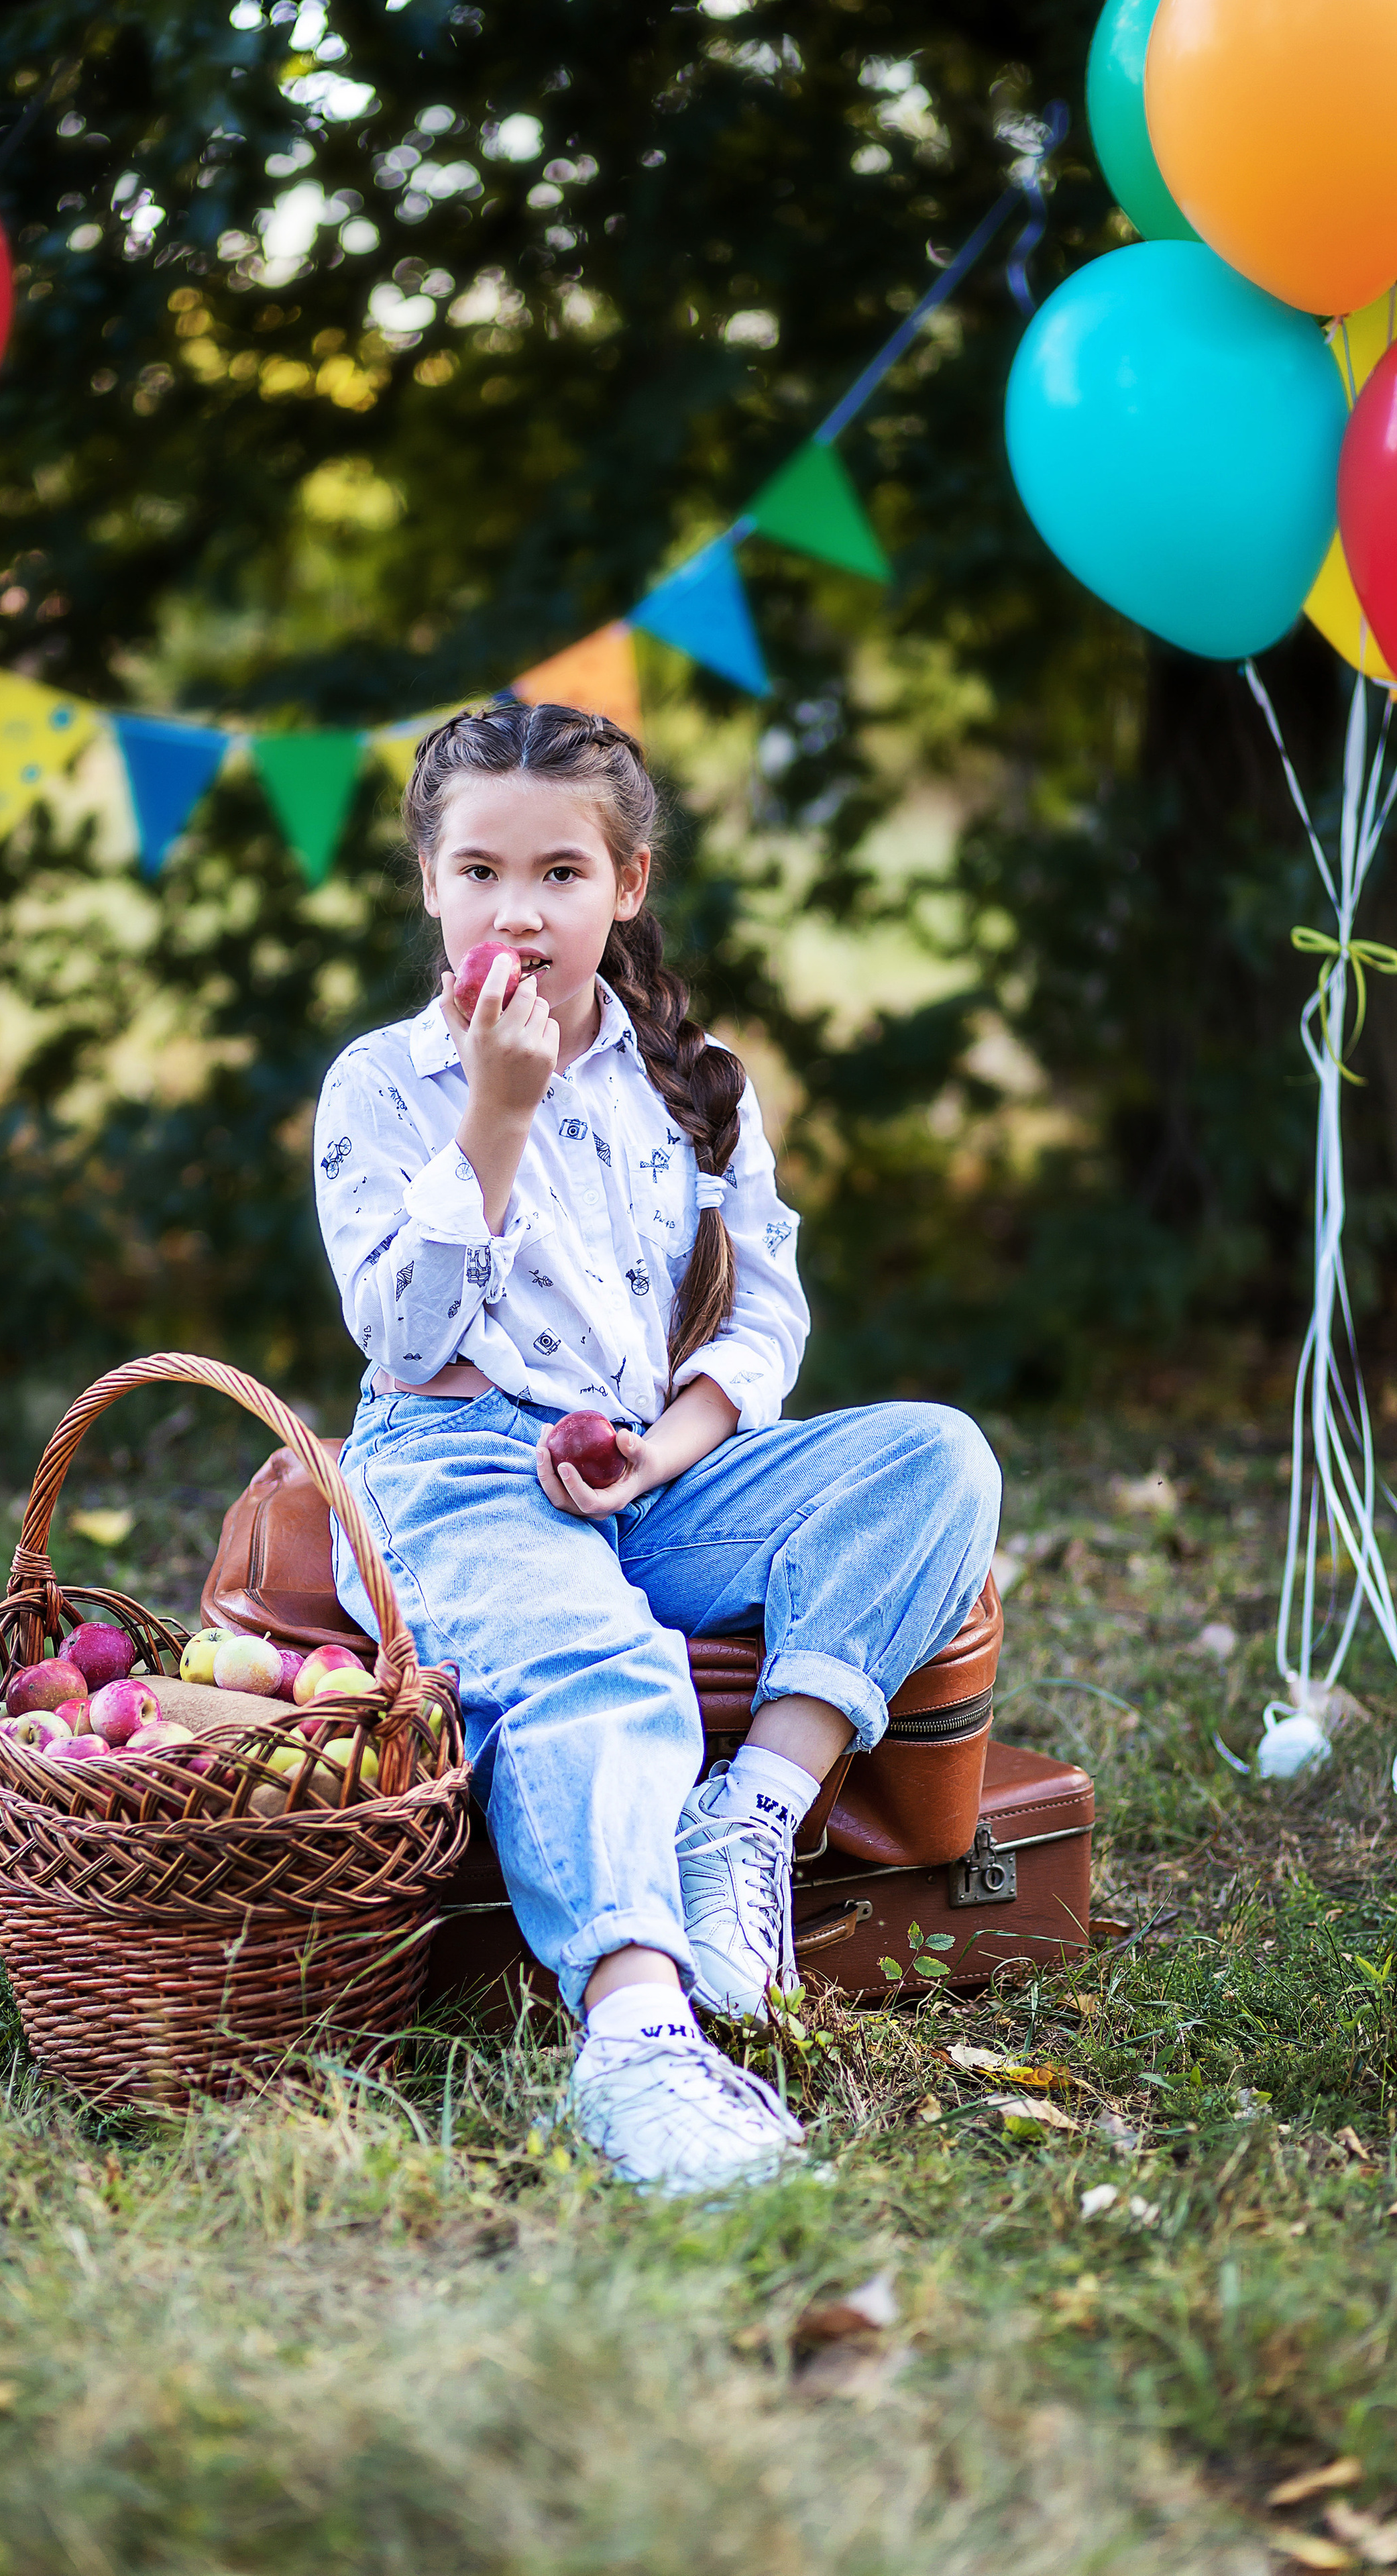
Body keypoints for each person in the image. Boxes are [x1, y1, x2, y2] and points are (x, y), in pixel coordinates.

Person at [313, 701, 1001, 2194]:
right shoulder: (383, 1085)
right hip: (452, 1469)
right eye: (480, 871)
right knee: (605, 1664)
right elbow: (397, 1329)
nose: (518, 910)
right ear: (429, 884)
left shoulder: (691, 1081)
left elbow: (758, 1321)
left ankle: (745, 1817)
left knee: (932, 1456)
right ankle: (633, 2044)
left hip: (637, 1469)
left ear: (626, 885)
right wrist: (494, 1122)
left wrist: (662, 1454)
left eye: (560, 873)